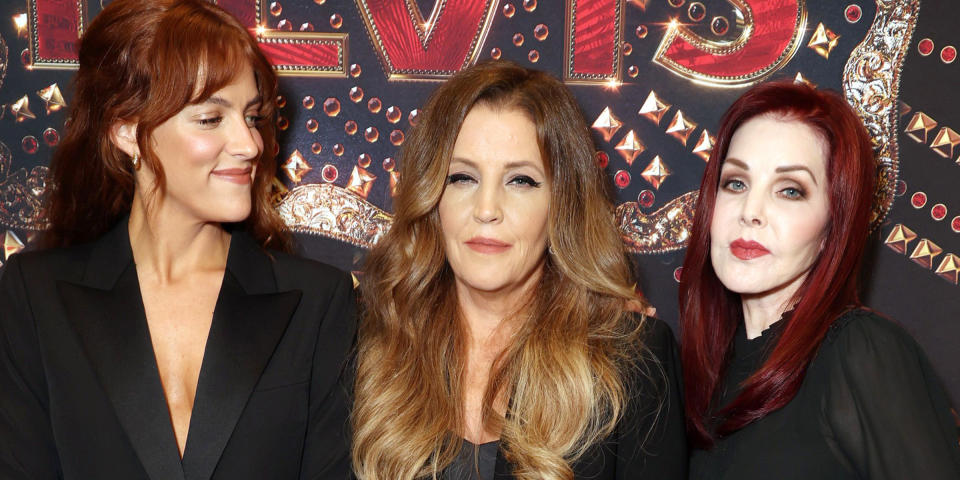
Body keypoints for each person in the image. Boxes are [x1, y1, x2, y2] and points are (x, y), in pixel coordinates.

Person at [0, 0, 355, 478]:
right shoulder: (33, 297)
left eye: (252, 116)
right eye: (211, 119)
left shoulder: (318, 301)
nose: (250, 145)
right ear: (127, 130)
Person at [350, 60, 687, 480]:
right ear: (432, 197)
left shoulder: (632, 362)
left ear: (563, 204)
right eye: (462, 178)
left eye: (521, 181)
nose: (487, 209)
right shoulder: (365, 343)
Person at [679, 81, 960, 479]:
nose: (750, 211)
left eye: (790, 191)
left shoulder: (859, 350)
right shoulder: (700, 380)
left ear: (833, 226)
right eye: (736, 183)